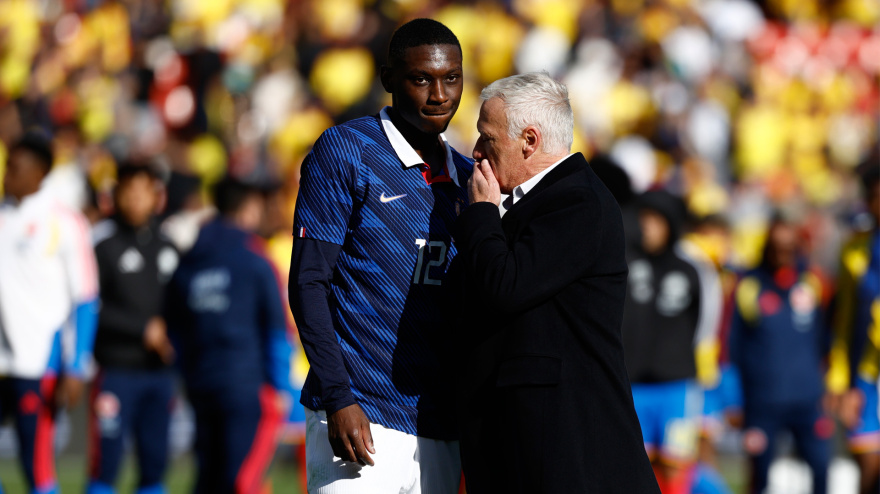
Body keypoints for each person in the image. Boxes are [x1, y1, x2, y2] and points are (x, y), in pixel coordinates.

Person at [450, 71, 659, 493]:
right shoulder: (543, 200)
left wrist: (481, 215)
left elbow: (505, 285)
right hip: (527, 443)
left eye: (487, 139)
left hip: (565, 448)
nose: (475, 152)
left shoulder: (577, 201)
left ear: (529, 140)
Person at [288, 18, 471, 494]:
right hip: (360, 413)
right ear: (389, 80)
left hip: (440, 421)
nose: (439, 95)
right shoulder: (346, 150)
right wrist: (338, 397)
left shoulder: (472, 178)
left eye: (451, 78)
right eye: (421, 79)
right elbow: (309, 282)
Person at [165, 177, 294, 494]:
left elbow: (175, 328)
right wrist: (280, 386)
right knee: (243, 480)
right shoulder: (256, 260)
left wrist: (188, 374)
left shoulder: (189, 261)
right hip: (247, 386)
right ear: (249, 209)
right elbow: (278, 328)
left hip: (201, 384)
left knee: (209, 476)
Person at [0, 131, 99, 494]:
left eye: (15, 167)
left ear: (40, 172)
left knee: (35, 464)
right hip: (2, 358)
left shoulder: (64, 222)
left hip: (39, 359)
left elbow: (85, 298)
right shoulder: (3, 215)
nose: (7, 174)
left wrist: (76, 366)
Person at [619, 190, 724, 494]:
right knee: (635, 464)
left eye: (656, 220)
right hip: (632, 385)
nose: (648, 227)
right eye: (644, 219)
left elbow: (708, 323)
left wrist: (691, 367)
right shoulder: (625, 261)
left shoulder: (693, 266)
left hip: (677, 387)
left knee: (677, 467)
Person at [87, 163, 179, 494]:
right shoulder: (102, 244)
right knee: (106, 462)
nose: (135, 200)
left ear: (156, 196)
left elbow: (181, 303)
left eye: (143, 192)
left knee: (155, 463)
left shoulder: (169, 245)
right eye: (129, 192)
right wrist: (143, 329)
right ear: (117, 195)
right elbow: (91, 307)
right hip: (116, 370)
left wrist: (173, 334)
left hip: (159, 373)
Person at [729, 212, 831, 494]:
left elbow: (828, 338)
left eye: (789, 248)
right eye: (776, 248)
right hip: (763, 402)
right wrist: (735, 398)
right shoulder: (749, 286)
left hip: (808, 401)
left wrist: (830, 386)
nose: (782, 254)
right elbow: (733, 346)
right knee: (759, 476)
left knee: (821, 469)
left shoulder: (813, 282)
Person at [827, 160, 880, 494]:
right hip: (867, 375)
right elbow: (845, 322)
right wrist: (840, 380)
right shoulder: (854, 251)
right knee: (868, 465)